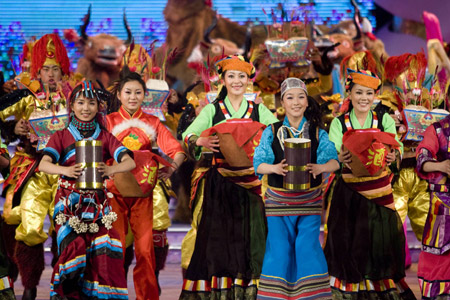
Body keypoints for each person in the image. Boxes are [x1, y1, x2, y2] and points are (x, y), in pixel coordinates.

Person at [180, 55, 279, 299]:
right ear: (222, 80)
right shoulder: (213, 109)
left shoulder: (258, 109)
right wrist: (200, 140)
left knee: (252, 238)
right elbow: (187, 135)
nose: (236, 81)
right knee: (219, 241)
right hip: (221, 184)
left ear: (248, 81)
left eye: (242, 76)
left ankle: (250, 291)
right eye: (231, 76)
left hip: (252, 185)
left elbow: (279, 132)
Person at [39, 80, 135, 299]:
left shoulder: (105, 136)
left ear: (98, 107)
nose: (85, 108)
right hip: (68, 204)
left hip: (99, 205)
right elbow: (43, 164)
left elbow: (129, 162)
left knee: (102, 253)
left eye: (91, 103)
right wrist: (65, 169)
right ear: (71, 105)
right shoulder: (61, 136)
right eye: (80, 103)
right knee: (74, 250)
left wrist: (111, 169)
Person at [324, 69, 416, 299]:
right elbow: (331, 151)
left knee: (379, 242)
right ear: (349, 94)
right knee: (350, 240)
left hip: (379, 193)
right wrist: (338, 157)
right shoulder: (339, 122)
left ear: (375, 96)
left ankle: (380, 288)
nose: (364, 98)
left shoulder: (384, 119)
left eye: (368, 93)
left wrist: (395, 155)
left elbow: (397, 146)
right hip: (349, 193)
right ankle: (351, 290)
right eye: (358, 93)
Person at [253, 78, 339, 300]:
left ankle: (310, 296)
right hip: (278, 202)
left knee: (306, 246)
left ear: (307, 102)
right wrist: (274, 168)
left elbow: (334, 162)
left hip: (309, 200)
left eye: (300, 97)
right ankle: (275, 296)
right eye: (290, 97)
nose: (296, 102)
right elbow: (258, 164)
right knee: (279, 248)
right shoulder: (271, 131)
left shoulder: (318, 132)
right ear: (283, 102)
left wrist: (321, 167)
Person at [0, 33, 71, 300]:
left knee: (64, 229)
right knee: (29, 226)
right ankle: (29, 287)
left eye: (55, 69)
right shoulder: (25, 98)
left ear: (63, 71)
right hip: (33, 170)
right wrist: (11, 125)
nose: (51, 74)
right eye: (46, 69)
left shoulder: (75, 97)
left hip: (67, 171)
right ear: (37, 71)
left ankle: (63, 283)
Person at [106, 68, 186, 300]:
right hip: (114, 193)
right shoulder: (107, 122)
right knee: (115, 249)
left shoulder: (153, 122)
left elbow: (176, 150)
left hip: (143, 194)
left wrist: (171, 168)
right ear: (119, 95)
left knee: (144, 251)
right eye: (128, 92)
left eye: (138, 93)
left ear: (144, 95)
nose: (133, 97)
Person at [415, 113, 450, 299]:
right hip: (444, 201)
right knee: (438, 251)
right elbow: (422, 158)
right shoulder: (437, 129)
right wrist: (442, 166)